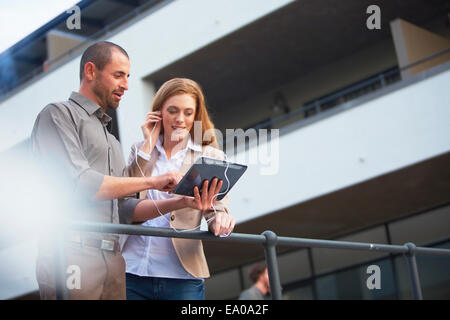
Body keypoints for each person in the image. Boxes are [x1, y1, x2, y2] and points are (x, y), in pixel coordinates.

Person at [31, 41, 182, 300]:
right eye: (118, 75)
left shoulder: (111, 139)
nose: (126, 85)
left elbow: (125, 207)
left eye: (128, 77)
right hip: (71, 255)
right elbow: (83, 184)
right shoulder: (57, 115)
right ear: (91, 71)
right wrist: (154, 181)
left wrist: (182, 200)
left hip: (113, 261)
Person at [121, 78, 236, 300]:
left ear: (196, 116)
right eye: (172, 111)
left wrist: (220, 220)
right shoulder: (140, 150)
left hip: (181, 276)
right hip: (131, 270)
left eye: (188, 112)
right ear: (159, 113)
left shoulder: (210, 156)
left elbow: (216, 208)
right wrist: (147, 145)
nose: (180, 119)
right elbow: (127, 199)